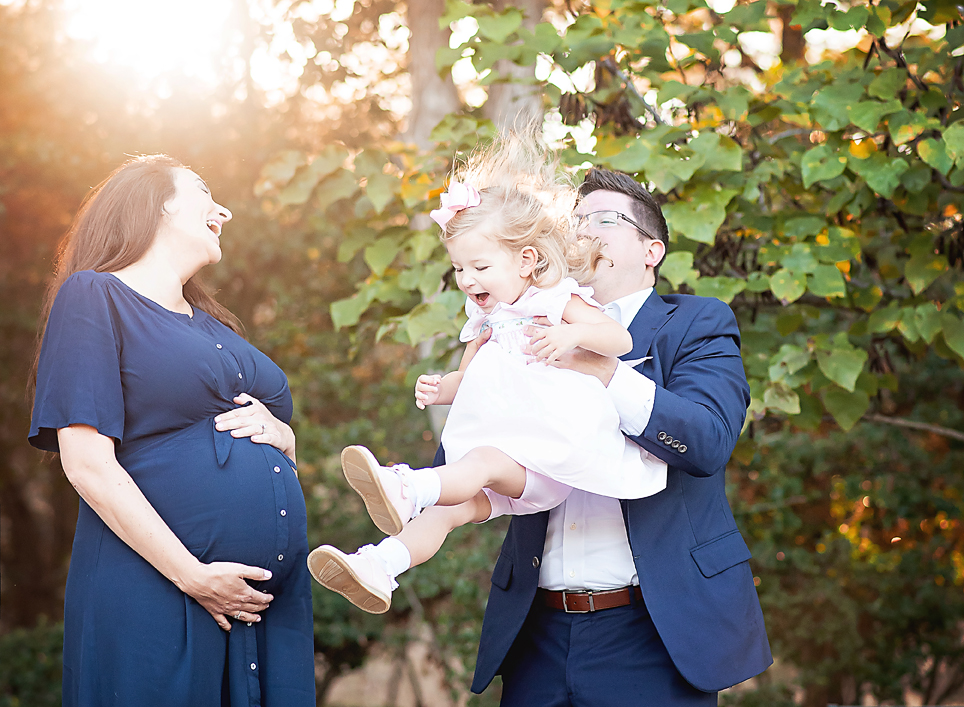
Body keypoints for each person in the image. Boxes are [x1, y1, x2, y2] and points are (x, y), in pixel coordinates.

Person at [307, 132, 666, 614]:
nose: (467, 280)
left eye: (479, 266)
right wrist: (441, 389)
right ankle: (380, 565)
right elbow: (470, 381)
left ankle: (408, 486)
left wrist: (569, 336)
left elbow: (618, 340)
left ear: (525, 260)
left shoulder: (556, 302)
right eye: (458, 269)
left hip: (545, 456)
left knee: (479, 463)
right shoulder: (489, 322)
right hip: (512, 458)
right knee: (447, 511)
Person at [465, 167, 773, 705]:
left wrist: (604, 368)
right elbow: (467, 455)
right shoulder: (520, 325)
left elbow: (707, 442)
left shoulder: (697, 323)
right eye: (574, 220)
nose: (582, 231)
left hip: (654, 631)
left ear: (651, 250)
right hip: (536, 632)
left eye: (603, 220)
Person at [28, 155, 315, 706]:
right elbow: (86, 461)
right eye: (204, 192)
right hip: (161, 586)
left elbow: (256, 440)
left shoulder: (215, 326)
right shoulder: (95, 296)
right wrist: (192, 575)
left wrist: (286, 441)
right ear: (156, 203)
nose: (224, 210)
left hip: (265, 608)